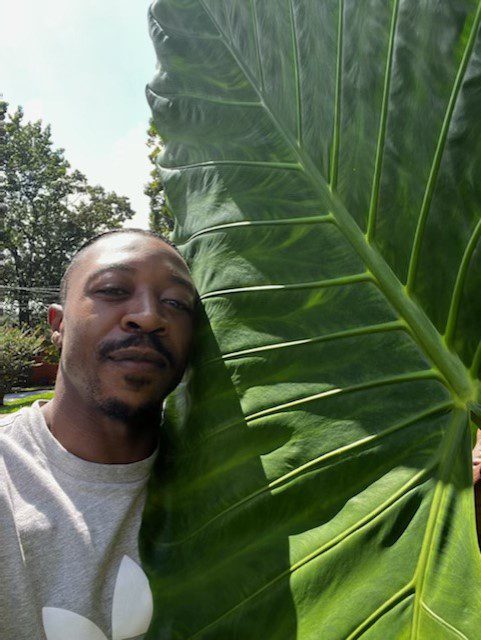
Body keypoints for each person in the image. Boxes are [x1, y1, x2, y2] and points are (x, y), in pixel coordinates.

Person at [0, 228, 196, 640]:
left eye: (175, 303)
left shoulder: (231, 479)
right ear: (57, 324)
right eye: (111, 290)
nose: (148, 316)